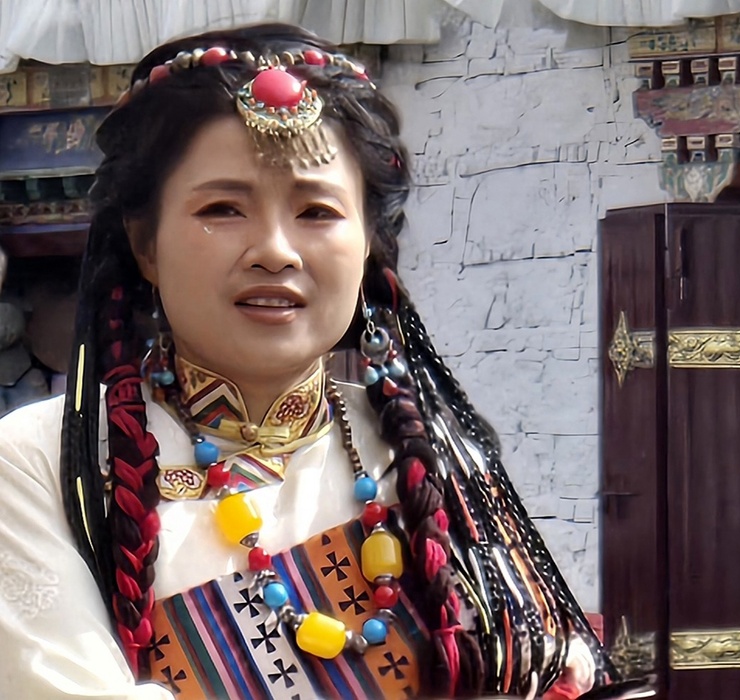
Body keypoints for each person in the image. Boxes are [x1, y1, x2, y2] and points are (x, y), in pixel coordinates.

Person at [0, 23, 623, 699]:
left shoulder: (431, 459)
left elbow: (549, 670)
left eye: (317, 212)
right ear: (145, 245)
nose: (275, 250)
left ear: (369, 246)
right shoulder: (45, 466)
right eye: (223, 208)